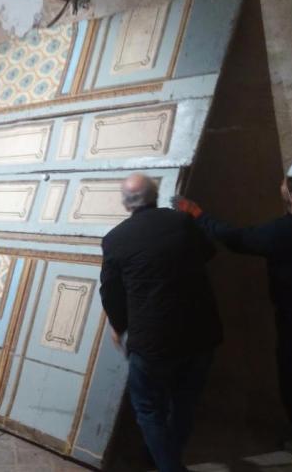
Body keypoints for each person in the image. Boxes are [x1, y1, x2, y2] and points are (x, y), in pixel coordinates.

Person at [174, 159, 292, 472]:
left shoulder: (289, 230)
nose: (280, 184)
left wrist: (197, 214)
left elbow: (237, 238)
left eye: (285, 182)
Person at [100, 173, 222, 472]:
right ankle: (163, 457)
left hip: (153, 342)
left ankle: (167, 465)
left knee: (148, 409)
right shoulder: (181, 222)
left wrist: (119, 325)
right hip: (200, 333)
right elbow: (209, 251)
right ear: (155, 195)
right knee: (184, 404)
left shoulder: (115, 239)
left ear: (125, 203)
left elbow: (110, 291)